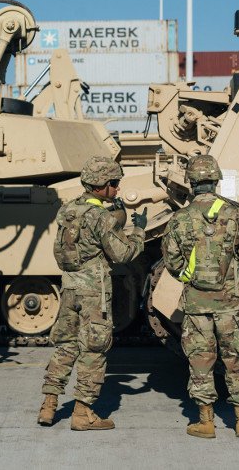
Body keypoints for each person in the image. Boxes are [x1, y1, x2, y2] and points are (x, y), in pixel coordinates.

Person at [37, 156, 147, 430]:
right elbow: (123, 253)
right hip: (93, 292)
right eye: (114, 183)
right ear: (102, 185)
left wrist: (115, 218)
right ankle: (82, 414)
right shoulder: (100, 216)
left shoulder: (69, 209)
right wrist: (139, 231)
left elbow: (83, 238)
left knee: (66, 346)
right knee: (94, 350)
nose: (118, 188)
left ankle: (48, 407)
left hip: (70, 285)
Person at [161, 154, 239, 438]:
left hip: (196, 304)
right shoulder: (234, 215)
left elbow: (172, 261)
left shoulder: (179, 218)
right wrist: (229, 277)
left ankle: (205, 422)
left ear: (191, 183)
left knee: (201, 361)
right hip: (230, 302)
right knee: (236, 359)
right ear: (216, 180)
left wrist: (190, 280)